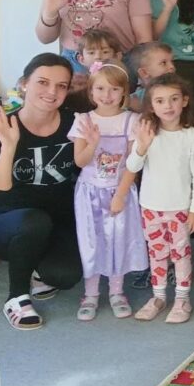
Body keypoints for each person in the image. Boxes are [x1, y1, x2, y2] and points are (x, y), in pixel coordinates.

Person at [0, 54, 82, 330]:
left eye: (61, 86)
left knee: (66, 276)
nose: (52, 92)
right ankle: (16, 297)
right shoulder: (2, 128)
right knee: (34, 221)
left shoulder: (74, 123)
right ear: (24, 84)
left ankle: (37, 268)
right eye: (43, 82)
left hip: (56, 221)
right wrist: (9, 146)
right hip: (6, 223)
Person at [125, 74, 194, 324]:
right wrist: (142, 145)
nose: (167, 106)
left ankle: (182, 298)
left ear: (185, 101)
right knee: (157, 254)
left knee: (181, 255)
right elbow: (132, 166)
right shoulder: (147, 132)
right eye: (160, 101)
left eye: (174, 99)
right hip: (150, 207)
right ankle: (158, 296)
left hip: (180, 207)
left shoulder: (191, 135)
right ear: (151, 105)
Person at [68, 60, 145, 321]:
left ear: (124, 92)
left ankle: (116, 291)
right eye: (100, 88)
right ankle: (90, 294)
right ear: (91, 91)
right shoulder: (84, 120)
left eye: (114, 89)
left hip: (119, 190)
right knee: (91, 241)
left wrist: (120, 195)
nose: (107, 95)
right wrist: (93, 143)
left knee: (118, 240)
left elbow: (134, 163)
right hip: (89, 192)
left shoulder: (132, 121)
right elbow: (80, 161)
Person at [36, 0, 152, 70]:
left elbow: (144, 39)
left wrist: (145, 71)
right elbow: (45, 38)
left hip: (118, 60)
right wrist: (50, 12)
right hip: (75, 62)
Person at [66, 29, 125, 113]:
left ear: (117, 56)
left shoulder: (120, 79)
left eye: (105, 52)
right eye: (91, 53)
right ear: (81, 59)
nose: (98, 57)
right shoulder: (79, 83)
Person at [128, 42, 175, 112]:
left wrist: (141, 110)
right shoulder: (132, 101)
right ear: (144, 72)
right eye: (163, 63)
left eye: (172, 61)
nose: (172, 66)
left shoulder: (179, 93)